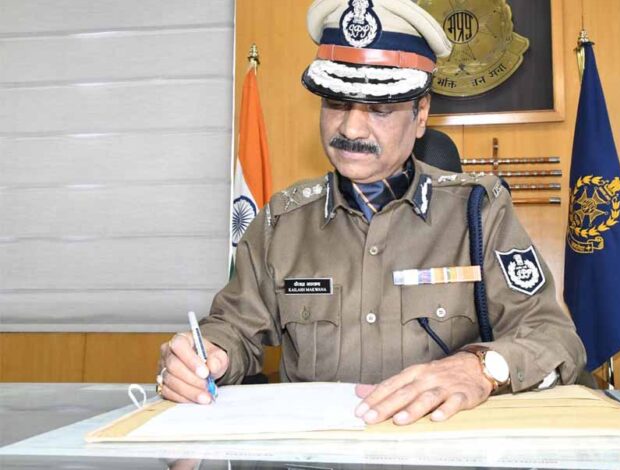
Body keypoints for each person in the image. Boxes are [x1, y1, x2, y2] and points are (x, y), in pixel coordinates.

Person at [157, 0, 586, 426]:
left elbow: (556, 340)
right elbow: (232, 329)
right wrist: (205, 355)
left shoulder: (479, 213)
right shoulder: (282, 222)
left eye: (379, 109)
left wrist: (481, 368)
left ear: (421, 114)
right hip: (317, 450)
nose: (350, 128)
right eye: (337, 103)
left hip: (437, 446)